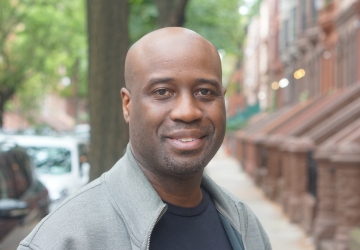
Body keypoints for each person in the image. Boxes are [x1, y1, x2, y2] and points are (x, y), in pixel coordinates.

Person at [18, 27, 271, 250]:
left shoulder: (245, 225)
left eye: (205, 92)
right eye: (163, 92)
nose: (188, 111)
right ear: (127, 105)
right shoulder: (64, 239)